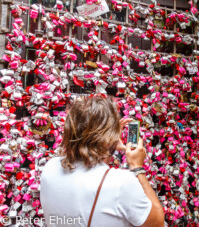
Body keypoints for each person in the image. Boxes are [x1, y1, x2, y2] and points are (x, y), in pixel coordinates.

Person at [40, 96, 165, 227]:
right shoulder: (121, 183)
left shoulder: (50, 167)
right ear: (108, 139)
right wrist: (137, 167)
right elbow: (157, 224)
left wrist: (109, 145)